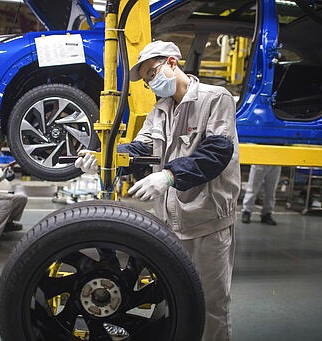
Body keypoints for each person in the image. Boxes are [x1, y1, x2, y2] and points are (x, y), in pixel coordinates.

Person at [75, 40, 240, 341]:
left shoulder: (215, 98)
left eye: (153, 72)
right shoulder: (160, 110)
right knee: (175, 302)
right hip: (169, 226)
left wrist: (168, 177)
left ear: (172, 63)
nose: (152, 82)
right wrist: (104, 159)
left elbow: (217, 152)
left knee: (211, 305)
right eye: (148, 78)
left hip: (207, 224)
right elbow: (141, 148)